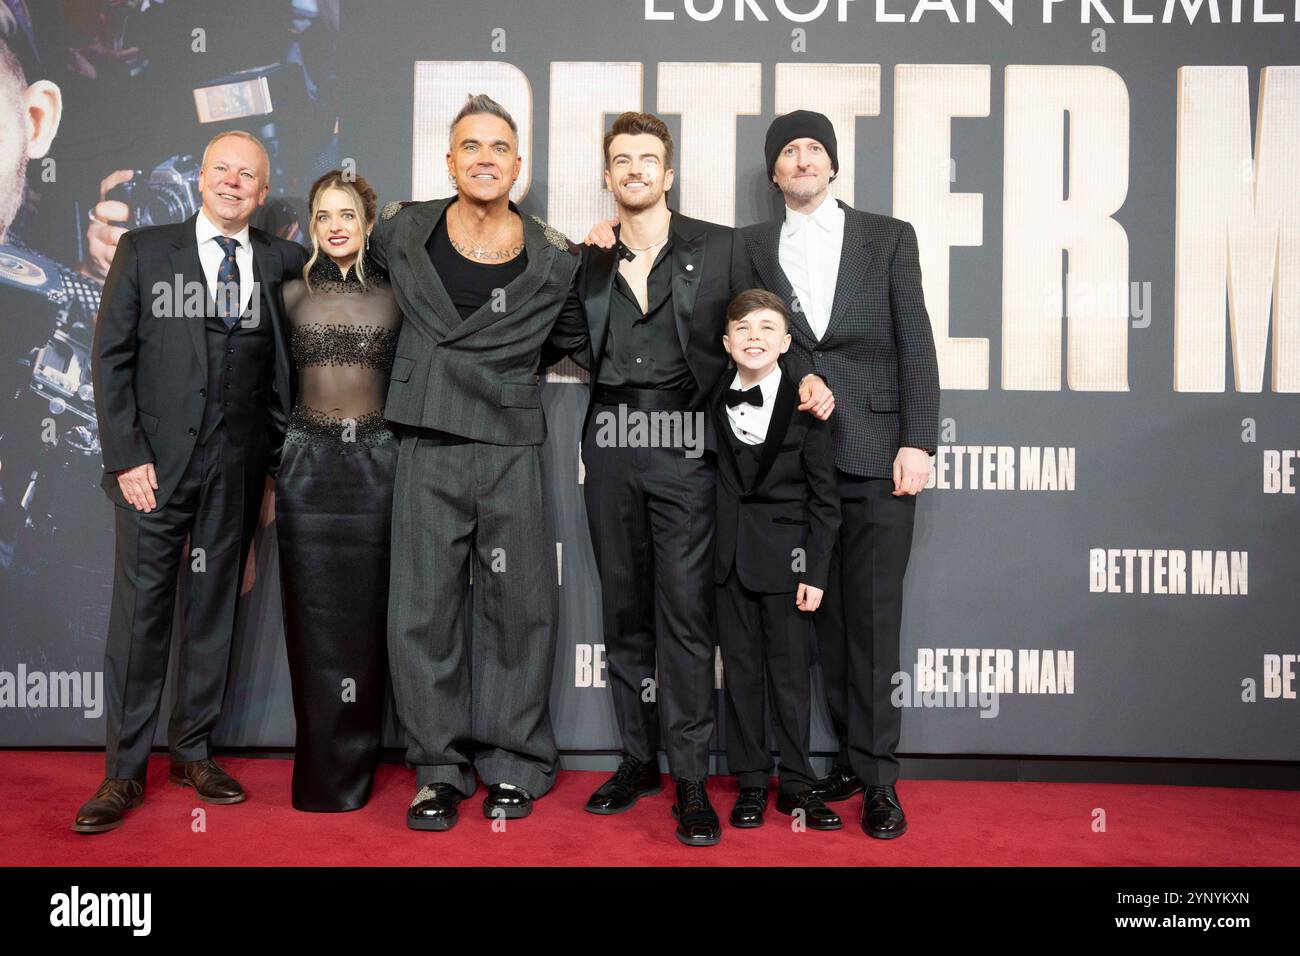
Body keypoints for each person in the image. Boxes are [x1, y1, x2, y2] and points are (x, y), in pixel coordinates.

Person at [566, 112, 834, 847]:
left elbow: (774, 319)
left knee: (685, 617)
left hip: (688, 441)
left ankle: (689, 779)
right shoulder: (586, 258)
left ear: (668, 173)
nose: (635, 171)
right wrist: (585, 252)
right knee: (623, 610)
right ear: (608, 174)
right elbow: (557, 334)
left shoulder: (720, 247)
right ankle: (636, 761)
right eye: (622, 160)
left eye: (647, 159)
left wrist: (807, 378)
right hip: (611, 441)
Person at [76, 130, 307, 833]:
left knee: (213, 613)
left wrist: (269, 468)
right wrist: (125, 456)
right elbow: (110, 358)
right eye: (223, 171)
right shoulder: (145, 252)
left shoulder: (284, 262)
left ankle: (193, 751)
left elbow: (288, 367)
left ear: (263, 194)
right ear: (202, 179)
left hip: (234, 469)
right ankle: (123, 772)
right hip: (153, 470)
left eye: (249, 176)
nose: (234, 183)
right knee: (142, 618)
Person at [367, 94, 587, 831]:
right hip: (426, 436)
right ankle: (436, 769)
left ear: (518, 166)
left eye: (499, 148)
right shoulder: (400, 229)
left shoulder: (555, 256)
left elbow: (572, 339)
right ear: (449, 160)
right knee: (421, 611)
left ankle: (515, 764)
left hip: (508, 442)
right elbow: (351, 286)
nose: (485, 159)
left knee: (520, 609)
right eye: (471, 146)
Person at [735, 110, 940, 838]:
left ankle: (881, 779)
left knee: (876, 623)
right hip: (795, 465)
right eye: (787, 151)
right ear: (773, 171)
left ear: (833, 163)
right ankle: (850, 756)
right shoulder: (752, 245)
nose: (801, 159)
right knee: (817, 621)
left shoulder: (889, 236)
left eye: (813, 148)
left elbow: (915, 341)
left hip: (880, 453)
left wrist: (918, 441)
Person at [276, 170, 399, 812]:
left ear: (368, 222)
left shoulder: (396, 295)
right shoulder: (289, 293)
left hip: (376, 472)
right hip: (307, 474)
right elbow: (271, 388)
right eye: (323, 215)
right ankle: (321, 776)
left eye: (347, 213)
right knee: (314, 626)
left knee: (367, 625)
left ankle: (362, 765)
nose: (336, 225)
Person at [710, 289, 841, 831]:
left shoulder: (809, 407)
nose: (755, 337)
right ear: (726, 343)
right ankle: (749, 782)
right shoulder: (710, 397)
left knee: (789, 678)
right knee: (740, 675)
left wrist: (814, 570)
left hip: (788, 567)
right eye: (743, 329)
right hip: (726, 562)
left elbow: (825, 500)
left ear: (787, 343)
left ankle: (797, 785)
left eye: (767, 328)